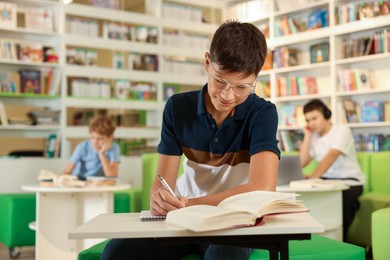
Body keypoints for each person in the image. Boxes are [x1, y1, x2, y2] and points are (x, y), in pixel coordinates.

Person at [102, 20, 280, 260]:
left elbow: (263, 188)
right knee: (117, 252)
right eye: (220, 81)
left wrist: (192, 203)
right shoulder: (177, 108)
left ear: (256, 78)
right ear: (207, 62)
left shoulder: (263, 113)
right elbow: (162, 181)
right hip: (183, 218)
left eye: (242, 87)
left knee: (223, 254)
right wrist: (159, 199)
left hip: (233, 221)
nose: (228, 95)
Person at [299, 99, 365, 241]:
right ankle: (316, 239)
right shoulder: (314, 136)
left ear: (326, 114)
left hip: (350, 180)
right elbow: (303, 162)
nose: (311, 123)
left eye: (315, 118)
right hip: (326, 180)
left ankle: (340, 241)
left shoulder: (341, 129)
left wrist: (312, 178)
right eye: (308, 120)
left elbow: (331, 156)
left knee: (344, 199)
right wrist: (307, 135)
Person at [63, 115, 120, 179]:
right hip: (81, 182)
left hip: (99, 184)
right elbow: (67, 172)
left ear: (111, 138)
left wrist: (102, 154)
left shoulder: (114, 148)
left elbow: (112, 177)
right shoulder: (83, 147)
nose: (95, 142)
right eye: (92, 138)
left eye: (100, 139)